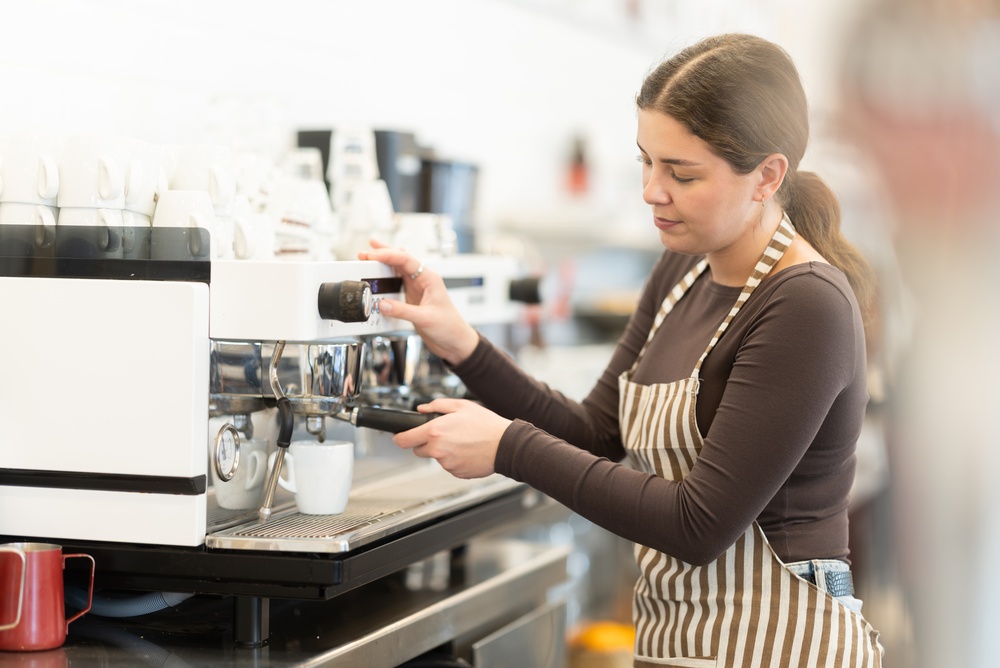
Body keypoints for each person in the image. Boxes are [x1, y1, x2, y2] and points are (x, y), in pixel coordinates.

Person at [361, 33, 884, 666]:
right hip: (680, 646)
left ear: (767, 176)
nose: (651, 191)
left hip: (776, 647)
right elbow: (595, 433)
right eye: (646, 162)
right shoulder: (683, 272)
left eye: (681, 173)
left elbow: (699, 524)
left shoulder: (805, 305)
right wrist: (462, 344)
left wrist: (506, 446)